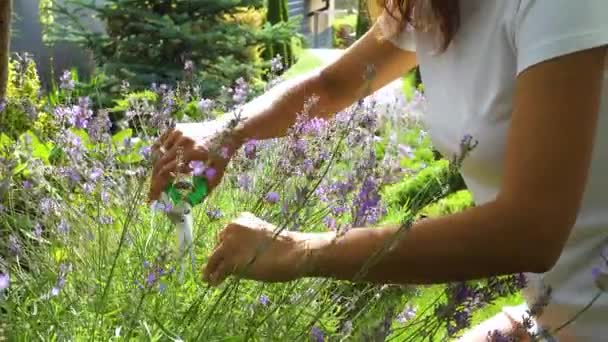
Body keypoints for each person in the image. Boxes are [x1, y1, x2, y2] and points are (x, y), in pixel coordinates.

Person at [148, 0, 608, 340]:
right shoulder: (433, 6)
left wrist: (300, 250)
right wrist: (224, 132)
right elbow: (332, 84)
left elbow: (529, 230)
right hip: (556, 321)